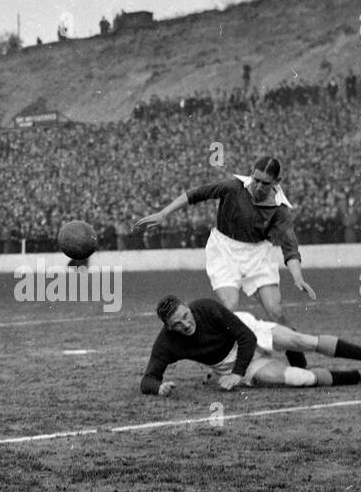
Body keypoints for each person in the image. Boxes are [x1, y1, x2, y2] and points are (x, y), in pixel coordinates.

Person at [134, 156, 315, 366]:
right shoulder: (233, 187)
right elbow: (196, 194)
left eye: (265, 183)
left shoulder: (280, 209)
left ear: (277, 181)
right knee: (229, 308)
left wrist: (298, 277)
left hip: (258, 255)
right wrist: (163, 213)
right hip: (224, 249)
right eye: (256, 180)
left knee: (276, 311)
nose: (258, 186)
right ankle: (227, 362)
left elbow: (290, 247)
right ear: (251, 173)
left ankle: (298, 362)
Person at [140, 295, 361, 395]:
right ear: (168, 327)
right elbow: (148, 378)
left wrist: (237, 375)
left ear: (188, 307)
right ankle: (359, 375)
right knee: (300, 379)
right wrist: (159, 387)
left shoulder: (206, 308)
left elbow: (247, 337)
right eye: (177, 324)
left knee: (300, 340)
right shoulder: (166, 343)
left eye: (185, 316)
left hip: (247, 334)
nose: (185, 324)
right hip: (231, 363)